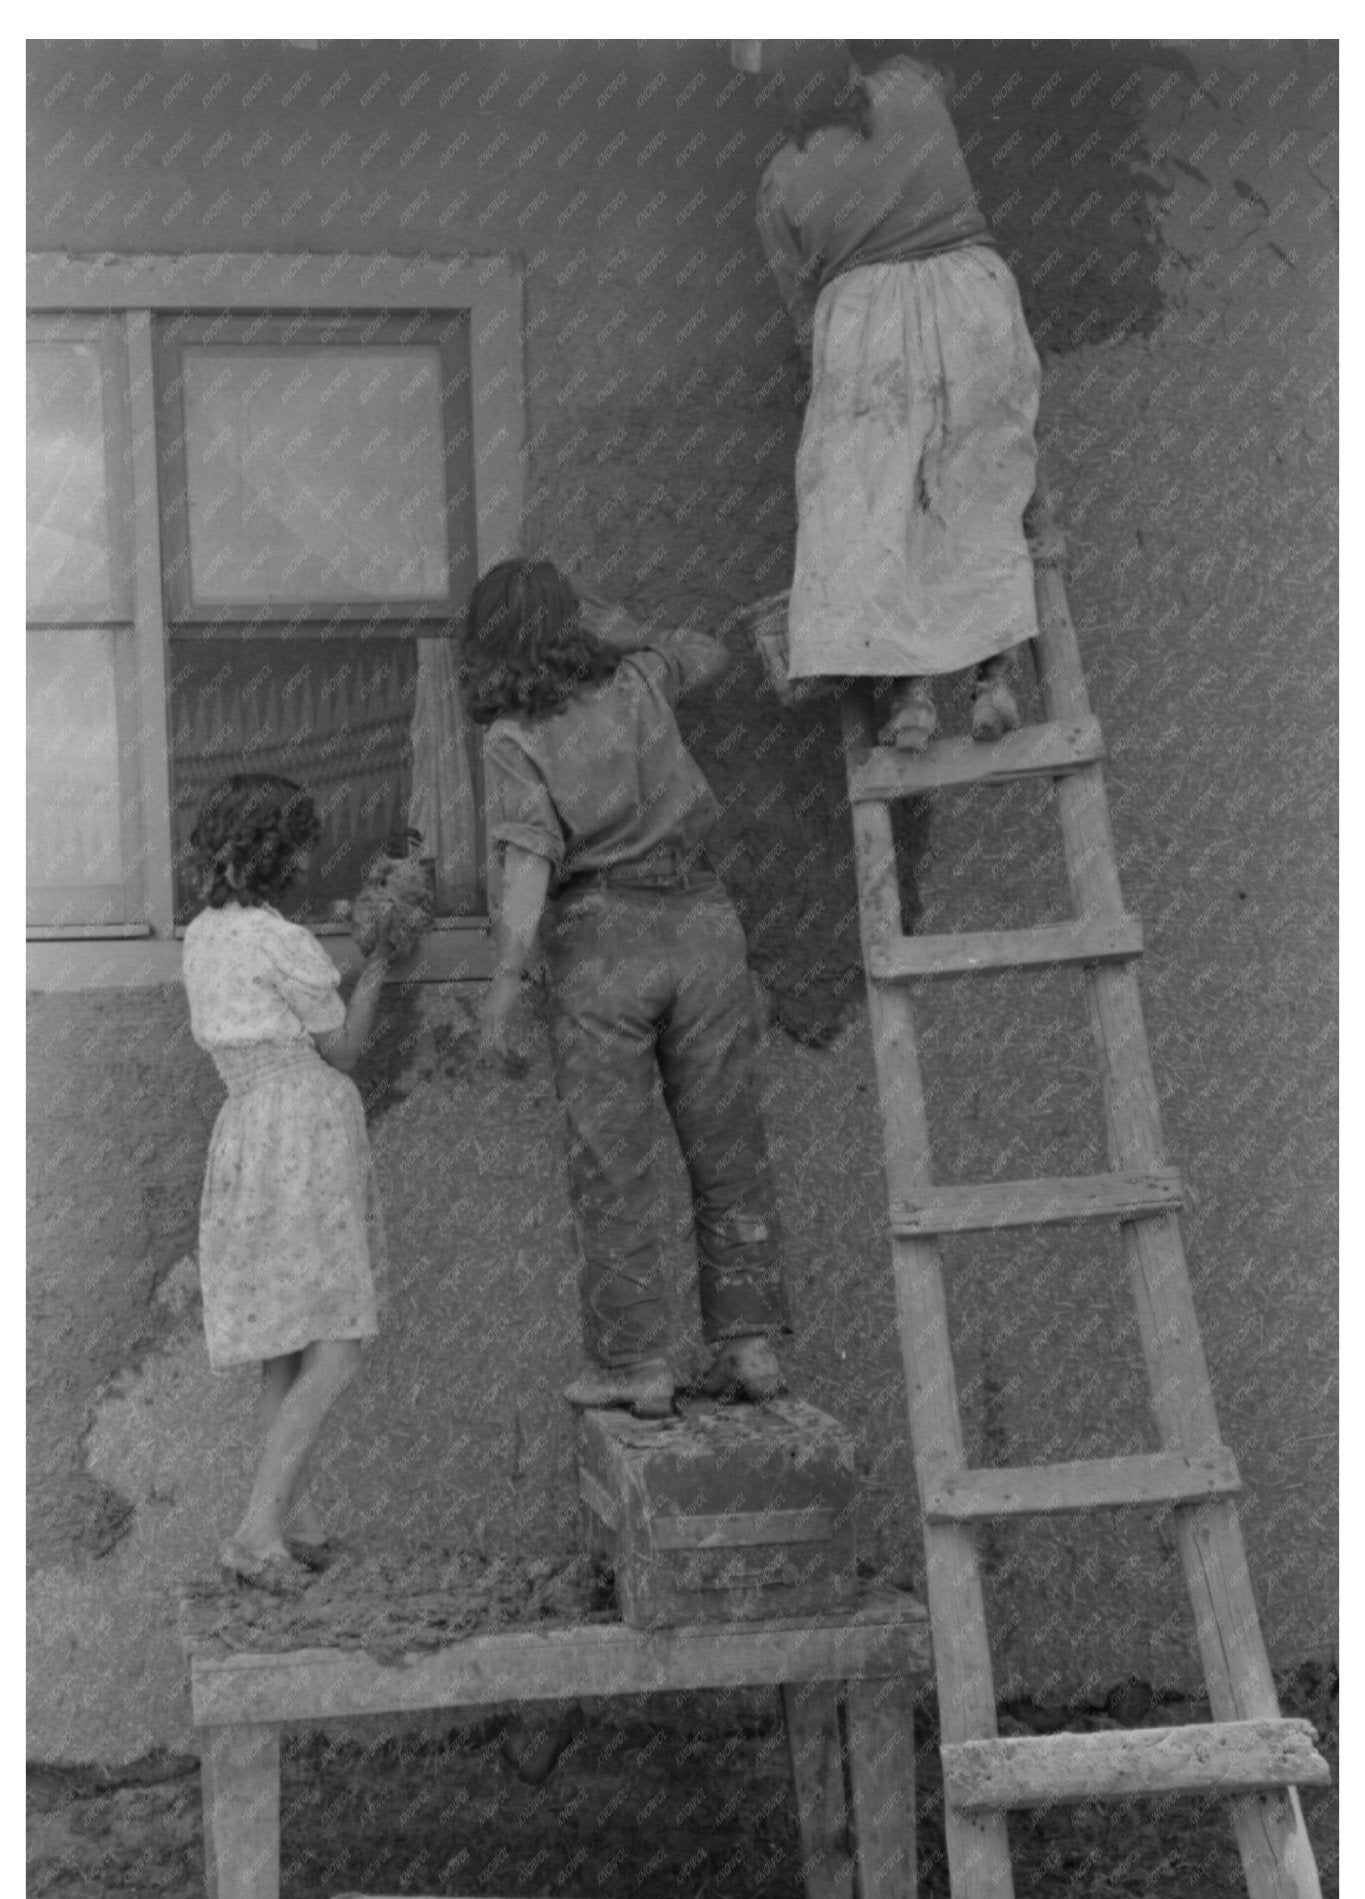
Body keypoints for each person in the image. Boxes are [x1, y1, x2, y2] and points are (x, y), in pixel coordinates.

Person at [462, 559, 790, 1419]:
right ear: (577, 623)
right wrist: (621, 626)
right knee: (726, 1145)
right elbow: (709, 653)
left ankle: (636, 1363)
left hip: (601, 938)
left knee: (611, 1163)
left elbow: (529, 860)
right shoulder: (642, 678)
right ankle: (749, 1347)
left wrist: (504, 981)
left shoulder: (509, 736)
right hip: (703, 923)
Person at [754, 39, 1041, 749]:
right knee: (976, 496)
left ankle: (910, 700)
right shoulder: (913, 89)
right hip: (970, 299)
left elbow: (798, 314)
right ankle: (992, 684)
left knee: (876, 515)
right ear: (849, 62)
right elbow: (940, 72)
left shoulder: (780, 180)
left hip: (863, 328)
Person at [182, 773, 401, 1593]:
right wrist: (378, 964)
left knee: (284, 1345)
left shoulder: (202, 934)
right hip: (305, 1131)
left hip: (246, 1131)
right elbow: (342, 1050)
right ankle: (255, 1529)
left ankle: (295, 1518)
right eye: (302, 841)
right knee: (337, 1341)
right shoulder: (284, 941)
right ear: (279, 852)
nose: (310, 855)